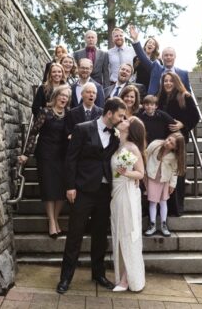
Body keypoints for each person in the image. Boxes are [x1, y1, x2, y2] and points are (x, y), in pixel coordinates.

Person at [56, 97, 129, 295]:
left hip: (105, 192)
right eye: (120, 115)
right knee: (75, 235)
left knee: (99, 236)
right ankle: (65, 278)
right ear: (109, 113)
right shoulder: (82, 128)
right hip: (82, 190)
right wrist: (70, 186)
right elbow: (70, 159)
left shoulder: (115, 135)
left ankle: (98, 273)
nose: (123, 119)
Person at [18, 85, 72, 238]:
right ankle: (52, 222)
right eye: (61, 95)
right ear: (55, 97)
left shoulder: (68, 114)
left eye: (66, 96)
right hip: (45, 155)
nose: (63, 98)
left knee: (61, 190)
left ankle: (55, 218)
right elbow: (34, 132)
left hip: (62, 156)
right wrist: (26, 153)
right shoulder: (45, 112)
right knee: (49, 189)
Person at [110, 116, 147, 292]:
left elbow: (141, 173)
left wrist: (126, 174)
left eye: (127, 120)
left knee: (127, 233)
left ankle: (127, 279)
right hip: (116, 194)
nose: (123, 120)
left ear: (130, 129)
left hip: (126, 193)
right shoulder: (119, 145)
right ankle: (123, 274)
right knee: (119, 233)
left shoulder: (132, 147)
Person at [156, 72, 199, 217]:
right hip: (163, 138)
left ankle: (176, 207)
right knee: (162, 171)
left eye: (171, 81)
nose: (168, 83)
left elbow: (195, 117)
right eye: (165, 81)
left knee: (177, 172)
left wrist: (183, 124)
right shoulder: (160, 96)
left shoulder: (184, 96)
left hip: (179, 140)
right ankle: (160, 205)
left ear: (176, 82)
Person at [128, 25, 191, 95]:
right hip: (157, 103)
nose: (168, 57)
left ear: (175, 57)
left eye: (171, 55)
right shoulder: (156, 68)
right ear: (162, 57)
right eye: (166, 55)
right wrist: (135, 40)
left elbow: (188, 94)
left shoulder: (183, 73)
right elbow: (142, 57)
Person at [144, 132, 185, 237]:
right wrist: (143, 173)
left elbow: (175, 171)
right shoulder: (156, 144)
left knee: (163, 202)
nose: (168, 143)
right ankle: (152, 224)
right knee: (153, 202)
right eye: (169, 139)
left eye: (172, 143)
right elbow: (146, 155)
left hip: (164, 180)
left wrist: (172, 184)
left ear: (176, 148)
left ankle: (163, 224)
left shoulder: (174, 156)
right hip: (152, 178)